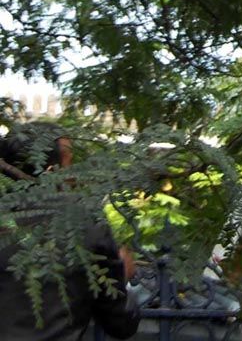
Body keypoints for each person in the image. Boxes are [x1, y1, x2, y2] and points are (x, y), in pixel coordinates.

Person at [0, 123, 140, 340]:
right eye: (69, 162)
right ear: (51, 171)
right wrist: (122, 275)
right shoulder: (85, 224)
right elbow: (121, 323)